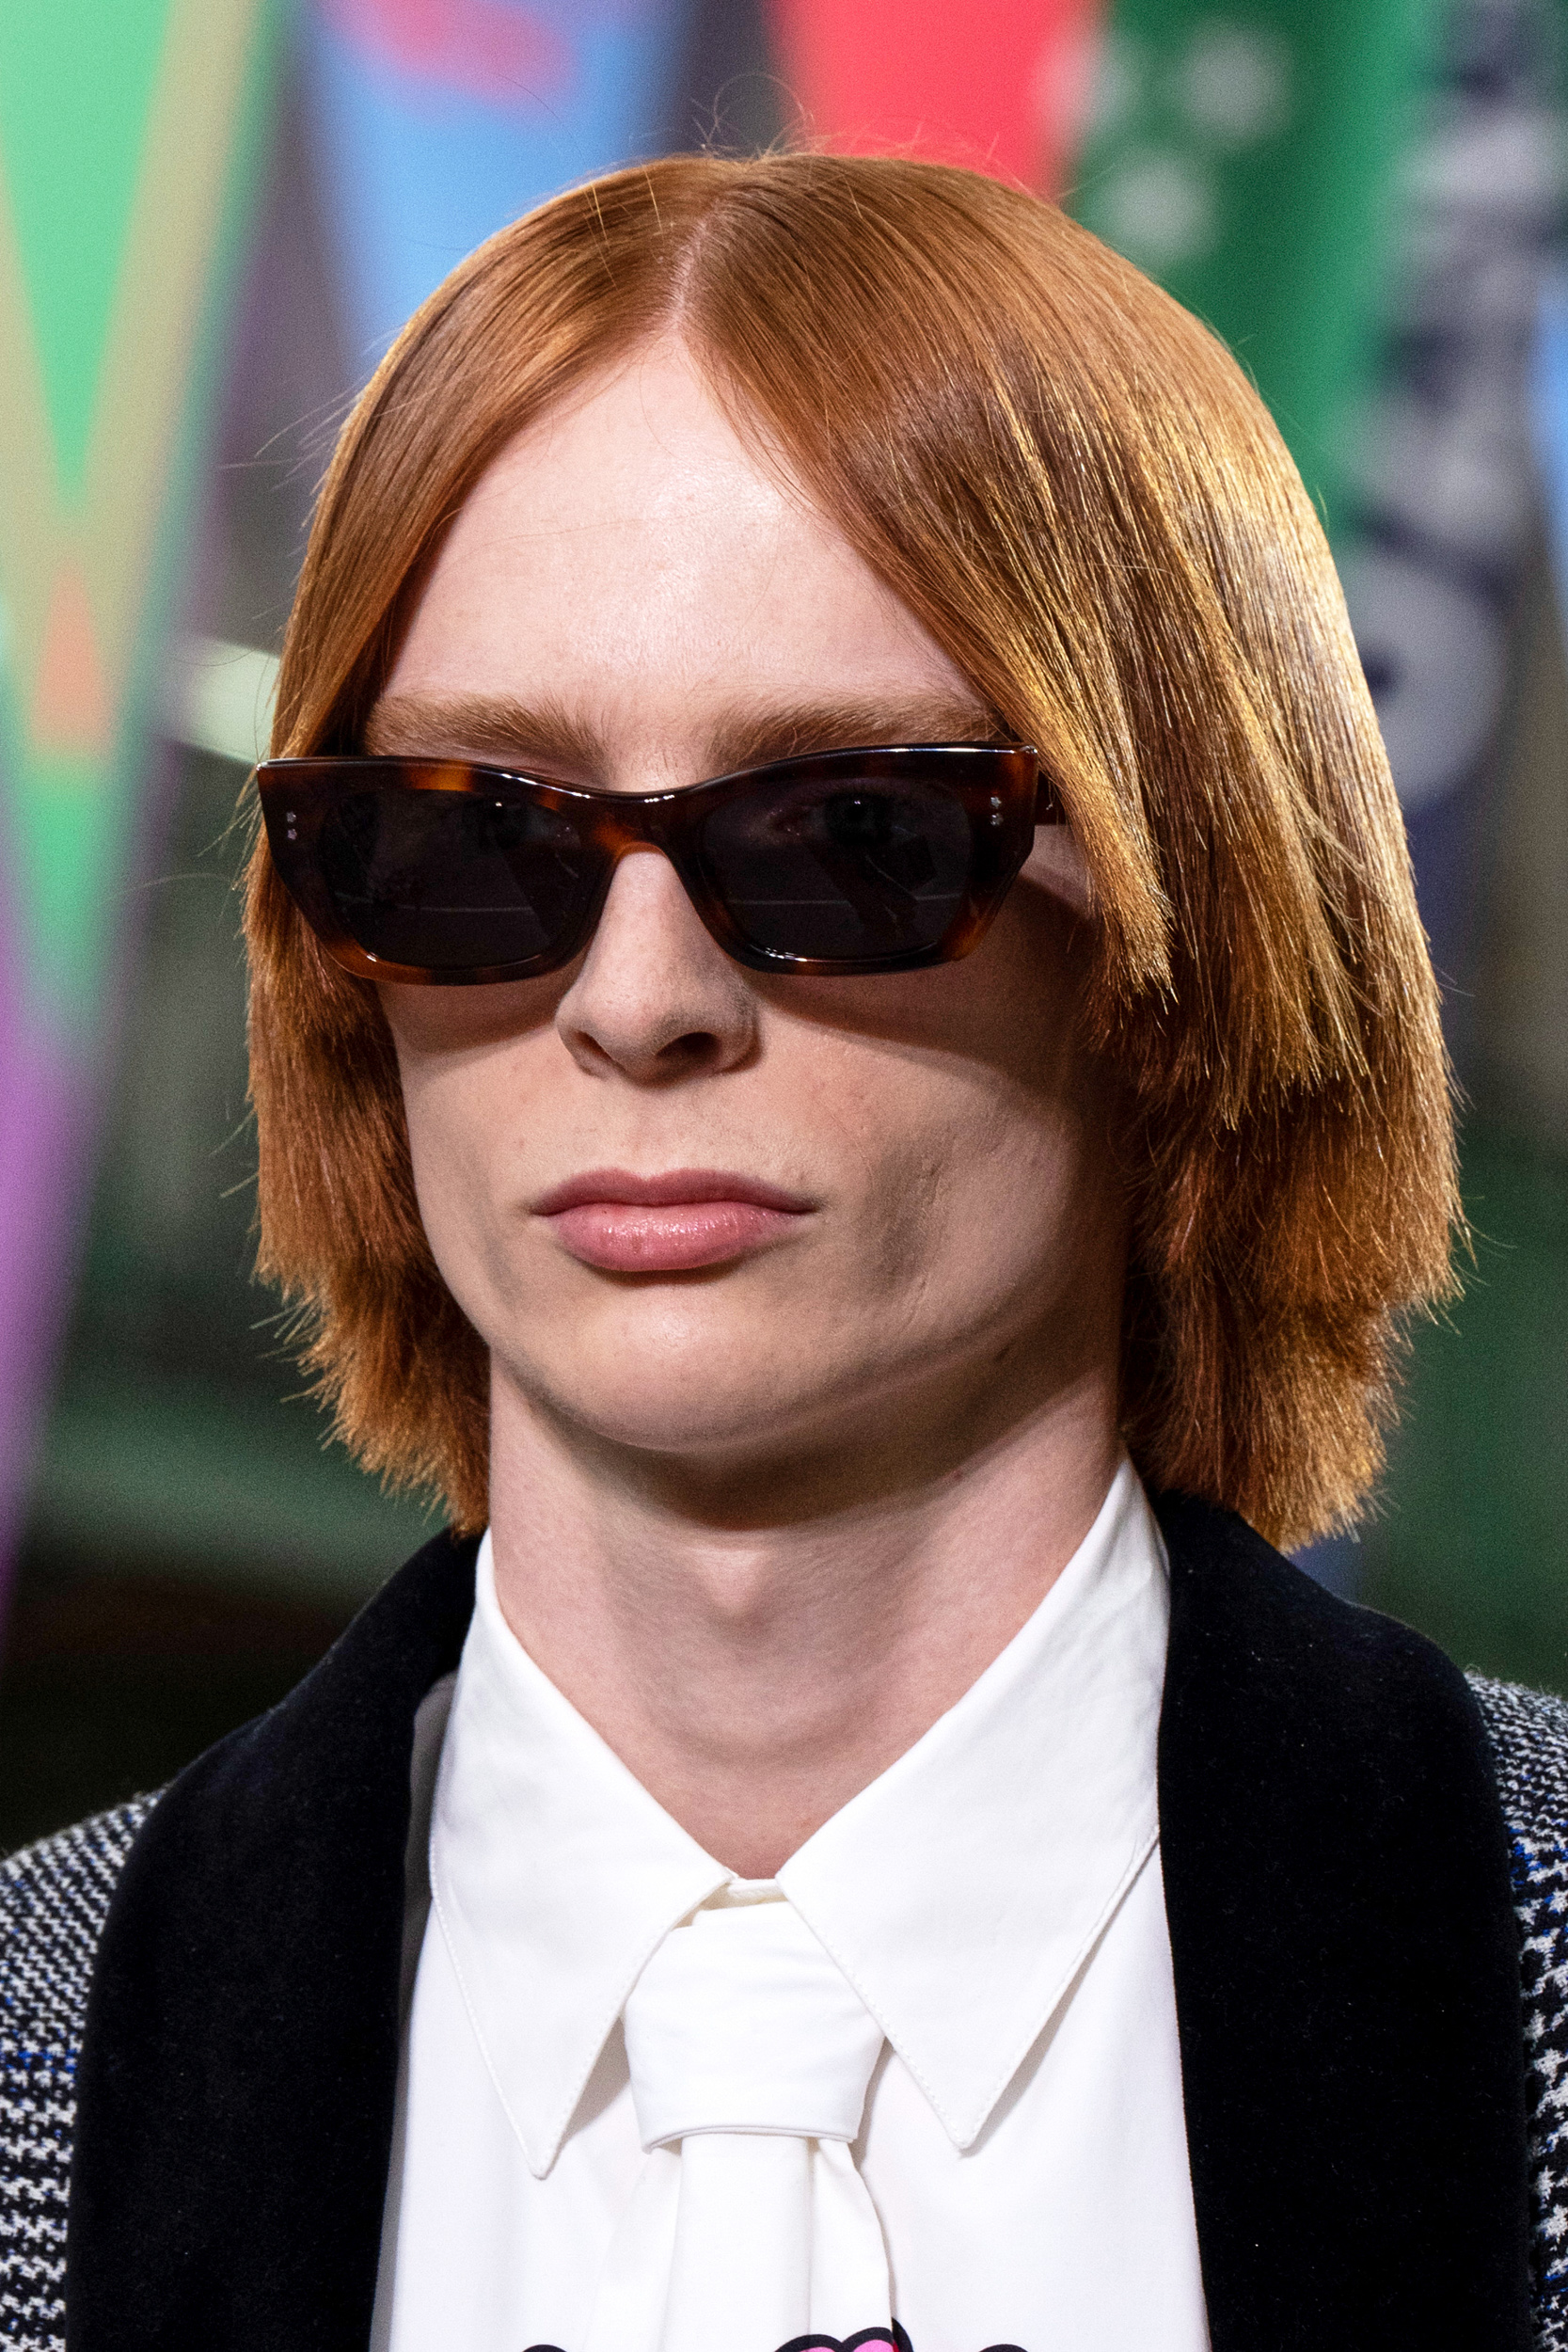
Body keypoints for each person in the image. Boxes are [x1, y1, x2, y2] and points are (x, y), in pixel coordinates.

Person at [1, 152, 1563, 2352]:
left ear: (1189, 918)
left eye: (849, 833)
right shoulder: (32, 2058)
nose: (638, 1000)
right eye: (468, 842)